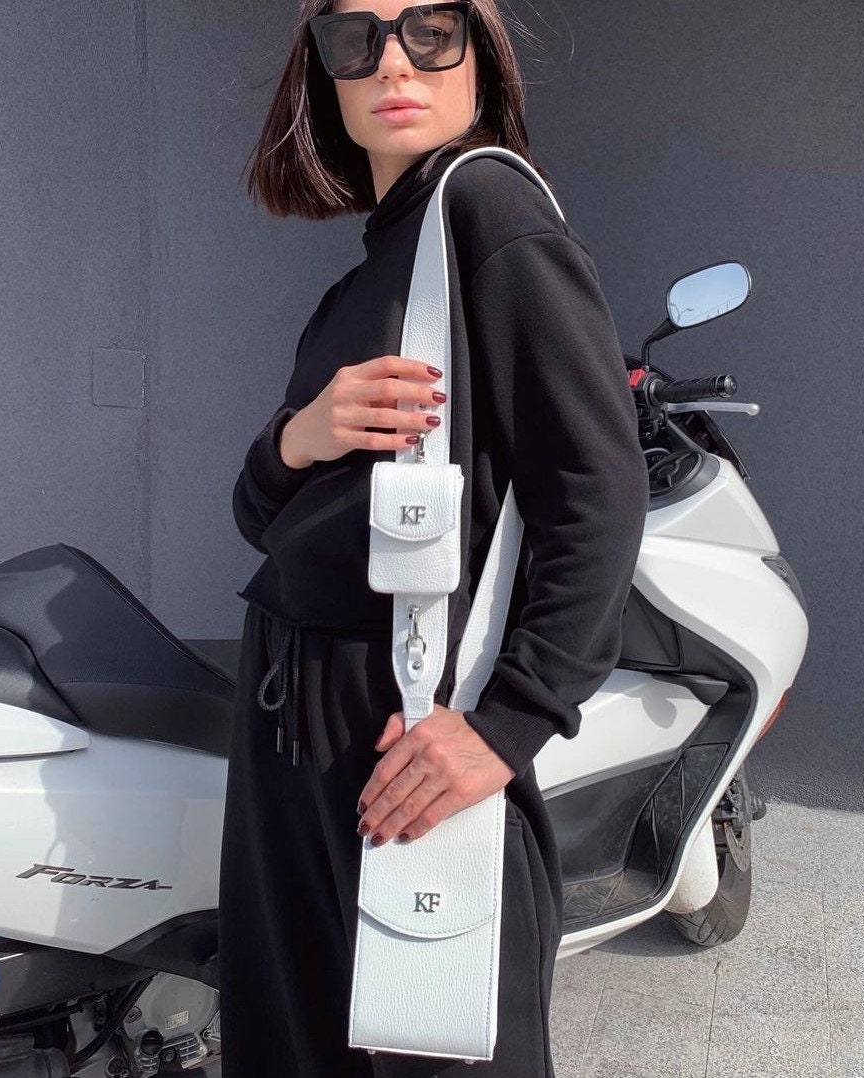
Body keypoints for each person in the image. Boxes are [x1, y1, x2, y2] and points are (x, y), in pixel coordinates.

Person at [217, 1, 650, 1075]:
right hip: (293, 720)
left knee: (435, 1048)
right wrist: (301, 436)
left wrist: (507, 724)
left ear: (480, 56)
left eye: (431, 31)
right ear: (321, 75)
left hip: (398, 720)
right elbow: (262, 521)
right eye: (353, 40)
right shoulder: (381, 262)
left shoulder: (490, 211)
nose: (393, 62)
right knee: (302, 1045)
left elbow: (597, 493)